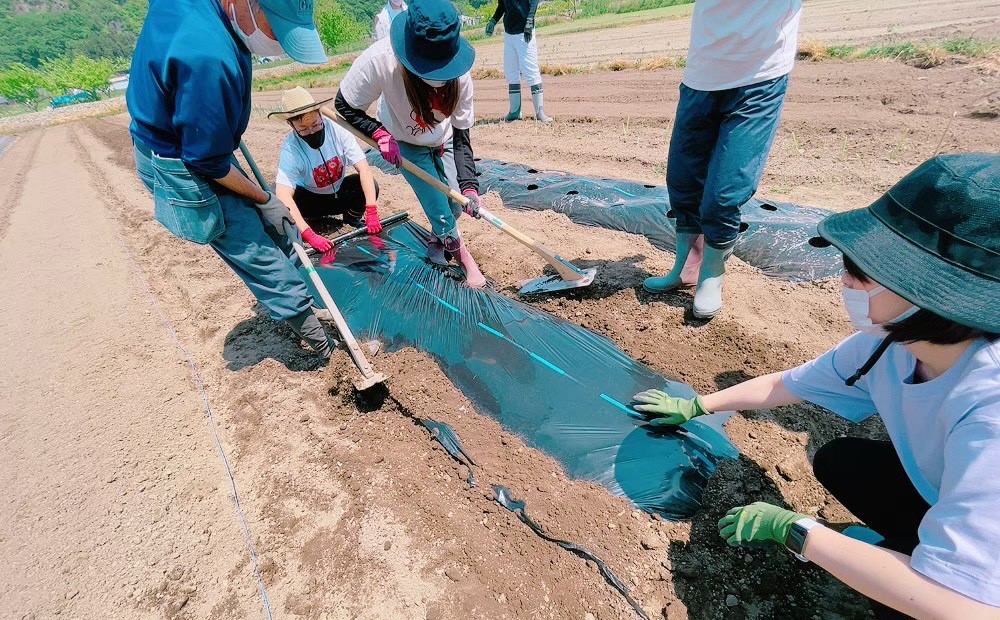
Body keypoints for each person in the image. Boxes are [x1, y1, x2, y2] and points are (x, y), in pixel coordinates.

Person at [632, 154, 1000, 619]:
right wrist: (698, 405)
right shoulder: (890, 345)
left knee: (907, 605)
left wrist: (800, 532)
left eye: (862, 274)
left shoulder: (990, 406)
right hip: (950, 494)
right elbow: (789, 385)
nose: (844, 280)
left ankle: (910, 563)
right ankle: (905, 546)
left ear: (935, 296)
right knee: (840, 461)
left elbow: (970, 610)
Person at [127, 0, 338, 359]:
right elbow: (207, 160)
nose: (280, 44)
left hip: (200, 141)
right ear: (248, 6)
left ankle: (305, 303)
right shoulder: (208, 58)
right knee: (252, 243)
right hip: (180, 160)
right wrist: (264, 198)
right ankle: (322, 344)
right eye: (277, 30)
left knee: (276, 229)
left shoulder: (210, 16)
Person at [643, 0, 803, 319]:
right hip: (701, 73)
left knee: (723, 193)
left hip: (760, 74)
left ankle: (712, 275)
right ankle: (687, 268)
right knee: (683, 181)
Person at [335, 0, 487, 288]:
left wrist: (469, 185)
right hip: (403, 140)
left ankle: (436, 240)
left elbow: (461, 134)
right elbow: (344, 105)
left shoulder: (462, 75)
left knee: (455, 204)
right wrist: (379, 133)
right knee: (439, 207)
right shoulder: (379, 60)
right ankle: (467, 263)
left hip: (442, 139)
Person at [268, 87, 382, 253]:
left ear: (320, 113)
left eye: (315, 125)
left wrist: (371, 210)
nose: (311, 131)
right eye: (303, 129)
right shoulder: (291, 149)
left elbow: (363, 168)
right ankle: (309, 222)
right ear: (291, 125)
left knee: (368, 184)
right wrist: (309, 235)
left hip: (338, 197)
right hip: (309, 201)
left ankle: (351, 218)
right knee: (275, 195)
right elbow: (284, 195)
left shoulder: (338, 130)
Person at [484, 0, 552, 123]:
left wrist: (530, 20)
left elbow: (534, 1)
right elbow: (502, 5)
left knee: (531, 71)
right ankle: (515, 112)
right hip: (509, 33)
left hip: (524, 32)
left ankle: (539, 112)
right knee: (511, 72)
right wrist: (493, 20)